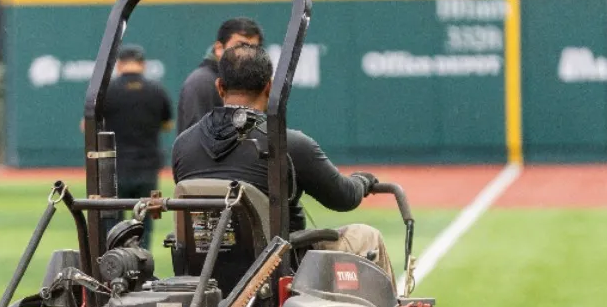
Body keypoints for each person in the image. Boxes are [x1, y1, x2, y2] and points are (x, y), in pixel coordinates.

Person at [171, 44, 395, 282]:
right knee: (367, 237)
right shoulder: (288, 144)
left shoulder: (182, 146)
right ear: (269, 87)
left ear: (219, 87)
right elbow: (344, 197)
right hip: (278, 272)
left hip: (204, 275)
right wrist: (362, 181)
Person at [93, 44, 173, 249]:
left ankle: (114, 262)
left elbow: (88, 125)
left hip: (114, 166)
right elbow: (167, 125)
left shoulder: (107, 91)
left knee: (113, 221)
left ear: (119, 65)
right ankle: (142, 261)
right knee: (144, 219)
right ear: (143, 64)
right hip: (147, 164)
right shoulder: (157, 90)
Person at [175, 17, 264, 134]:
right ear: (219, 49)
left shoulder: (248, 84)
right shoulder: (201, 83)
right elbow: (195, 141)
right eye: (240, 46)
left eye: (254, 49)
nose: (247, 55)